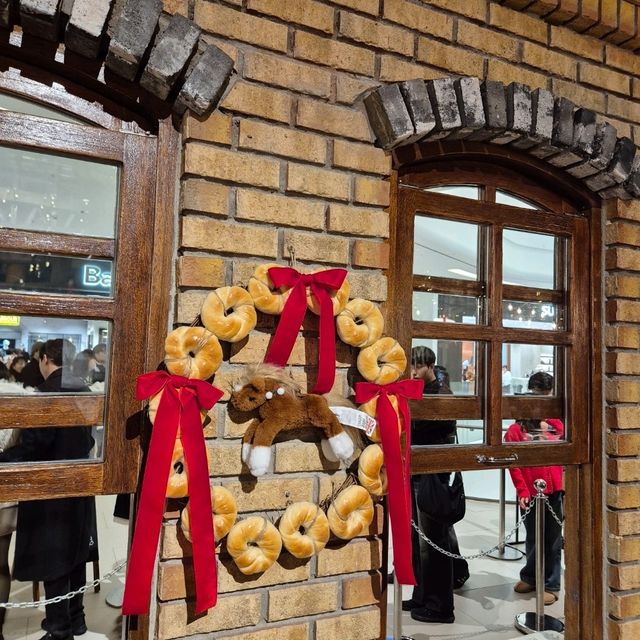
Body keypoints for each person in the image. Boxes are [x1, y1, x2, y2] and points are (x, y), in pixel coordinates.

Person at [0, 339, 97, 640]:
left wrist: (4, 458)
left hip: (51, 486)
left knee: (52, 556)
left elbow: (34, 446)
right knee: (76, 554)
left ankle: (59, 629)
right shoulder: (82, 388)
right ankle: (76, 619)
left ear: (44, 359)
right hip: (79, 481)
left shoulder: (45, 393)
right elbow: (91, 439)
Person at [403, 345, 469, 624]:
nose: (413, 371)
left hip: (433, 474)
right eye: (412, 367)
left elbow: (426, 428)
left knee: (432, 542)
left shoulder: (440, 394)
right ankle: (422, 596)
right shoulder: (427, 390)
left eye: (417, 366)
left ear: (429, 365)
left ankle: (440, 606)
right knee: (419, 541)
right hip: (421, 470)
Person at [504, 371, 564, 605]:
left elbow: (566, 436)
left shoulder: (554, 424)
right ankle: (530, 575)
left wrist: (550, 420)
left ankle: (551, 582)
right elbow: (514, 463)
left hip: (554, 489)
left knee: (552, 539)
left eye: (546, 397)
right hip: (530, 491)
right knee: (532, 536)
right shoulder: (516, 430)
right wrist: (522, 491)